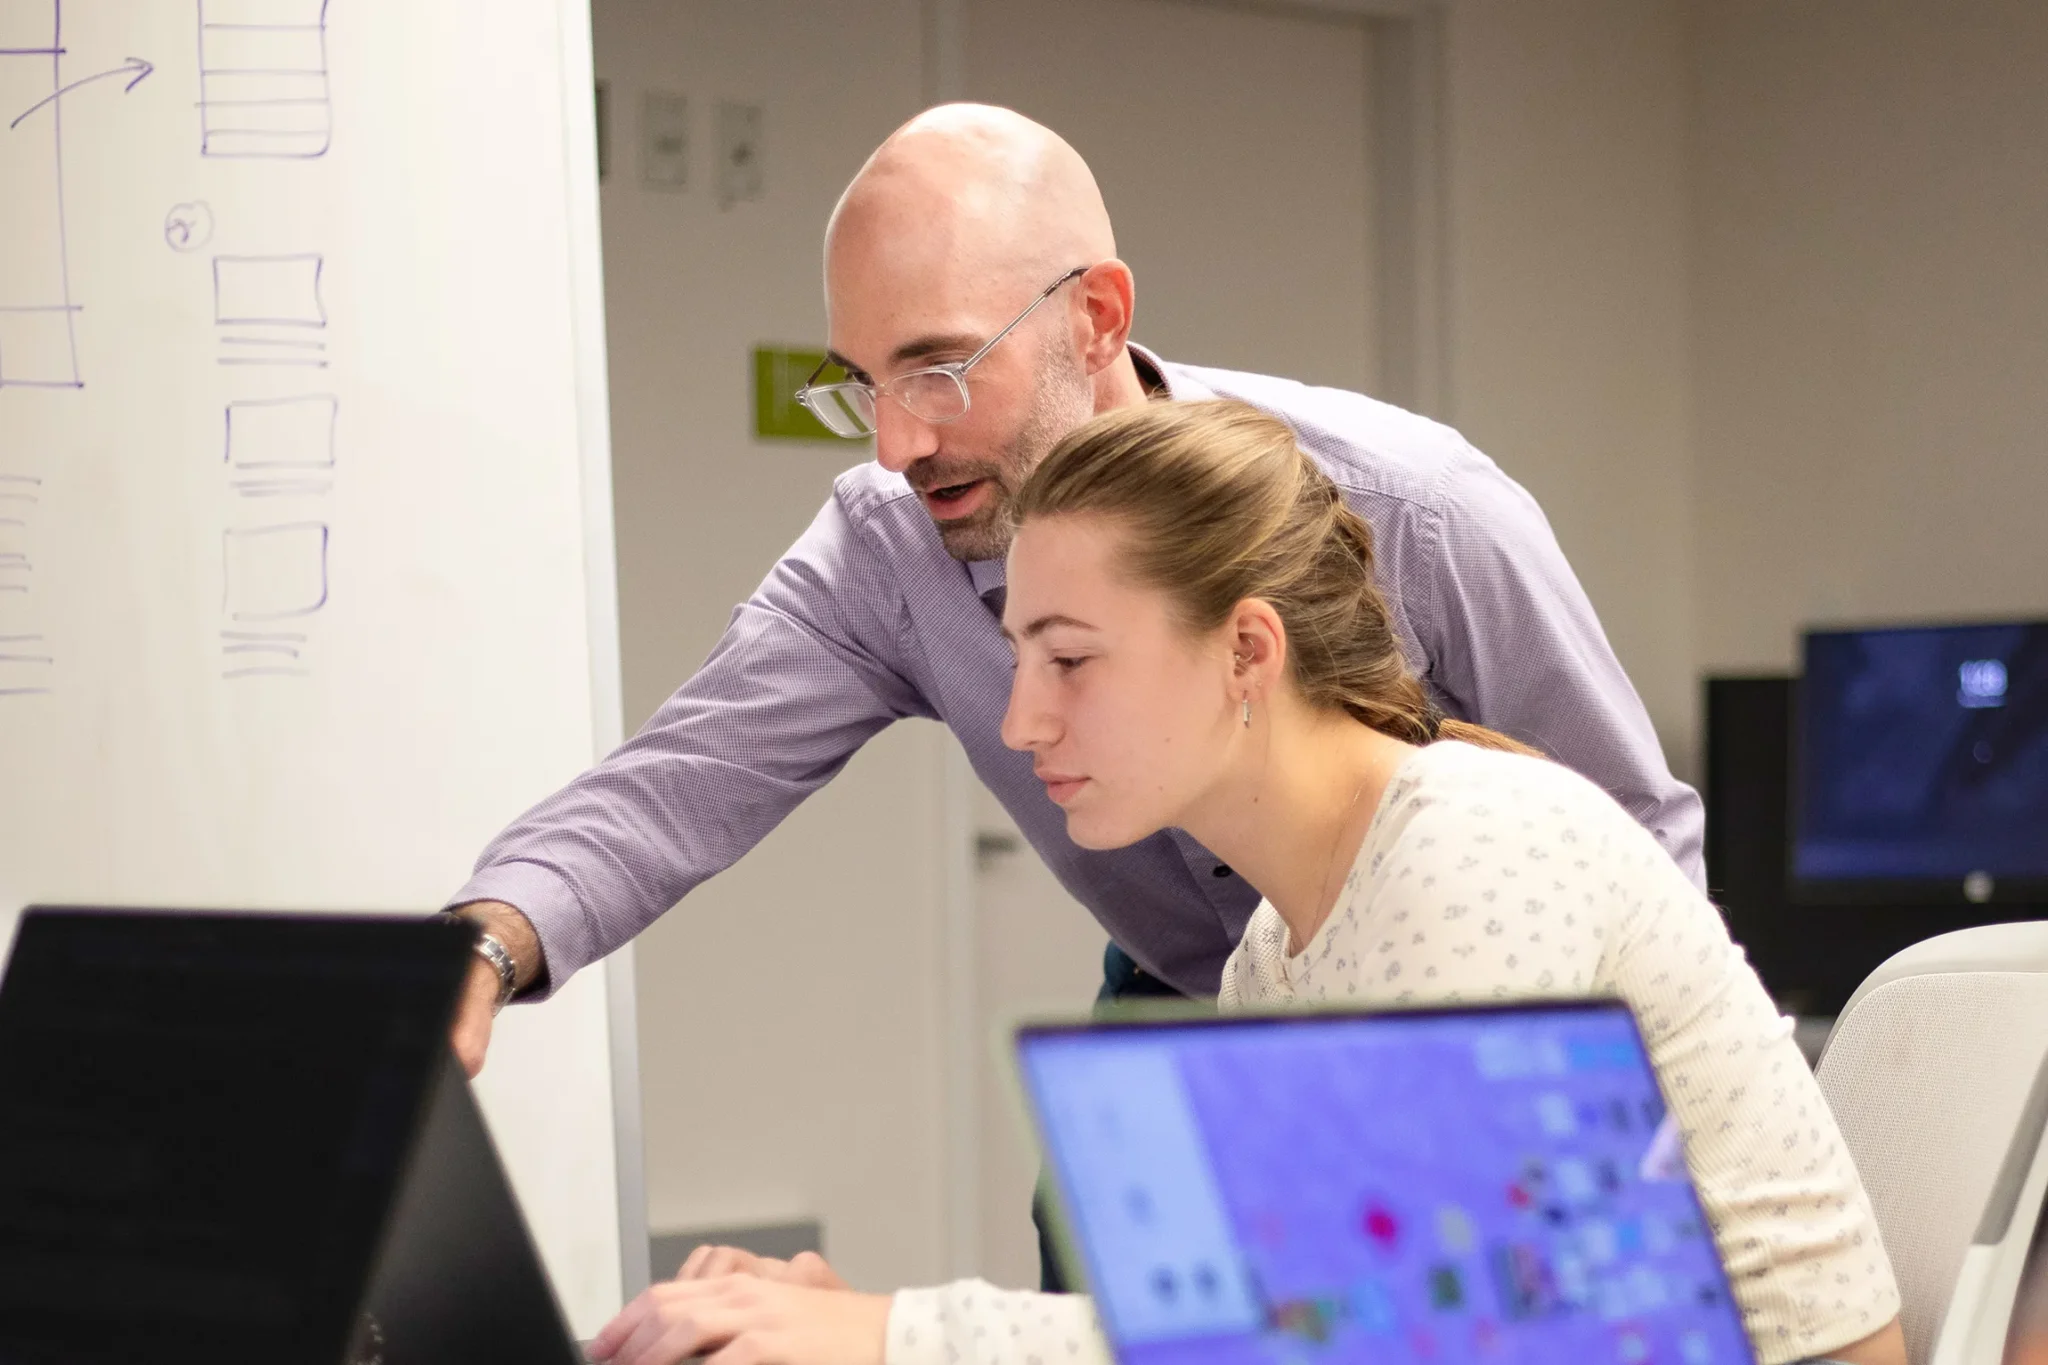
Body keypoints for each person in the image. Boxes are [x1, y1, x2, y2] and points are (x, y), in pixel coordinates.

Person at [588, 401, 1907, 1365]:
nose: (1022, 721)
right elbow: (1253, 1314)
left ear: (1246, 651)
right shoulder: (1282, 938)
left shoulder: (1467, 852)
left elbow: (1367, 1330)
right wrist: (843, 1327)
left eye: (1071, 660)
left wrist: (886, 1335)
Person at [443, 101, 1701, 1072]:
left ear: (1095, 317)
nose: (894, 444)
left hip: (1476, 1021)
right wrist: (487, 942)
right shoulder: (891, 543)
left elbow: (1632, 852)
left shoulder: (1417, 508)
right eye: (860, 383)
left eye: (938, 368)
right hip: (1195, 1005)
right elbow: (681, 780)